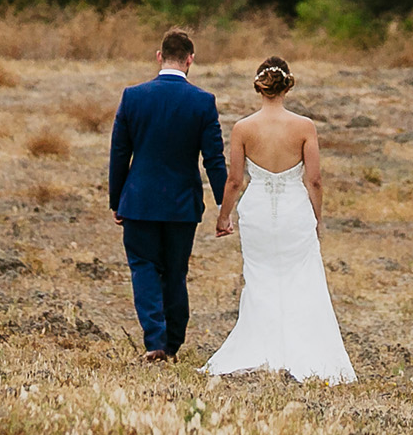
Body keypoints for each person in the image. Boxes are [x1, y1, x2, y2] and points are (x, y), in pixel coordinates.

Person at [202, 55, 357, 383]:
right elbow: (314, 180)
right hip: (293, 211)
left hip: (257, 211)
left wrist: (223, 216)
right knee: (301, 278)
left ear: (259, 87)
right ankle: (306, 352)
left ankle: (261, 347)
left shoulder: (243, 128)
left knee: (260, 278)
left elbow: (234, 181)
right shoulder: (304, 127)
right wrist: (317, 219)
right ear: (287, 86)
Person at [107, 26, 228, 363]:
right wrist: (225, 206)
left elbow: (119, 153)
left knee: (143, 267)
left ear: (159, 56)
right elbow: (214, 160)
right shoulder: (203, 102)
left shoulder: (133, 96)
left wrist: (117, 200)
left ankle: (155, 341)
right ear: (190, 60)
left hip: (140, 200)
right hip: (181, 204)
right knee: (175, 271)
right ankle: (173, 343)